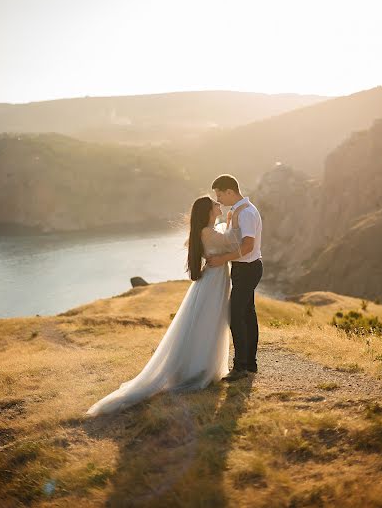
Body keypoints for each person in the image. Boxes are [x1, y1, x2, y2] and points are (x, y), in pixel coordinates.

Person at [86, 196, 247, 417]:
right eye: (215, 204)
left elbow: (225, 238)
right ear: (209, 211)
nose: (219, 205)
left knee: (209, 323)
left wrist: (228, 221)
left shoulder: (208, 229)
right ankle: (198, 369)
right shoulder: (208, 232)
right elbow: (235, 241)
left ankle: (202, 366)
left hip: (215, 280)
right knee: (208, 323)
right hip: (212, 283)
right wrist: (234, 219)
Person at [209, 174, 263, 381]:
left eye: (219, 194)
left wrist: (222, 259)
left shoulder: (246, 213)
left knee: (237, 316)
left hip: (248, 268)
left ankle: (240, 367)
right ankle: (250, 364)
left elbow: (248, 245)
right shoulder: (238, 211)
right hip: (244, 268)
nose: (219, 199)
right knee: (247, 316)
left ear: (230, 191)